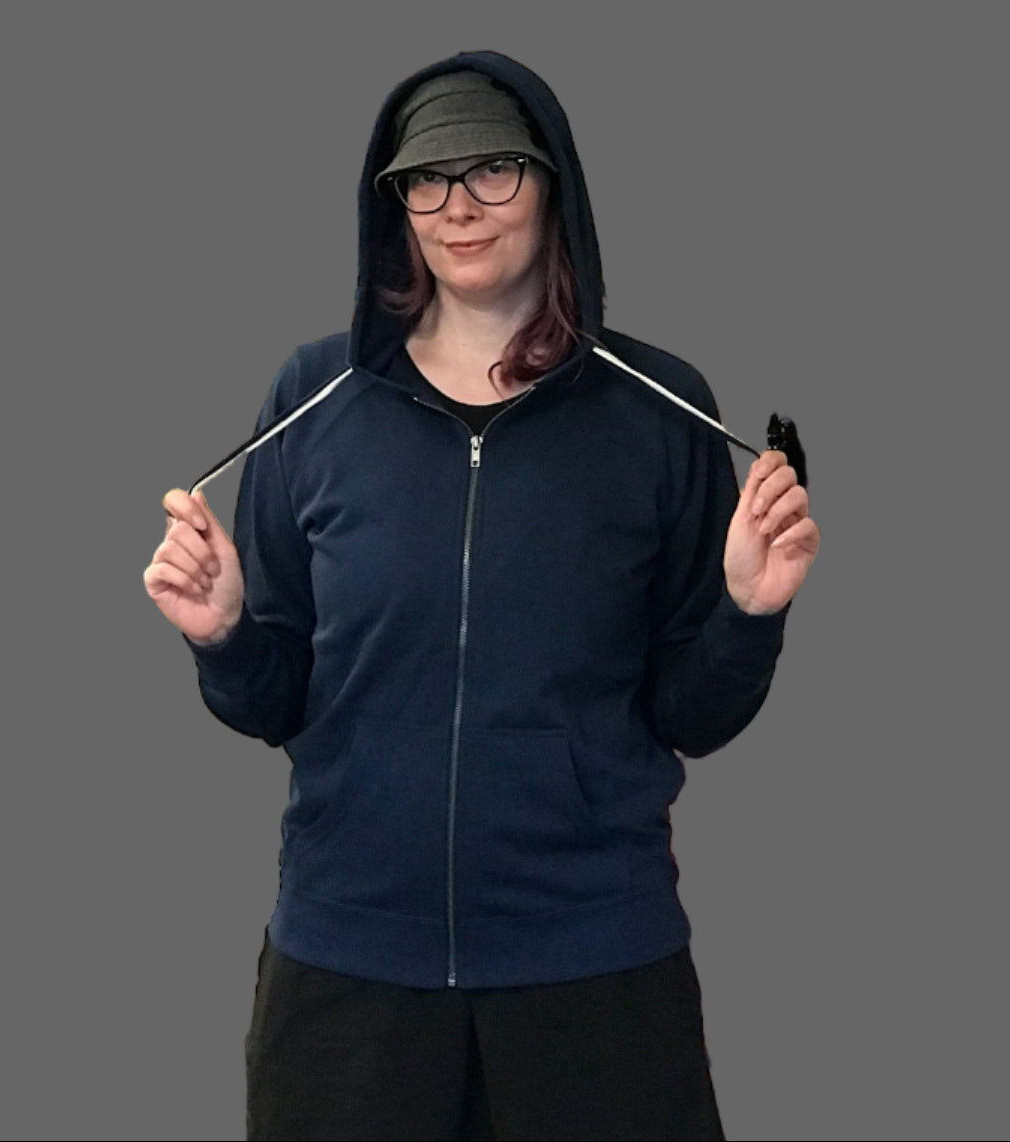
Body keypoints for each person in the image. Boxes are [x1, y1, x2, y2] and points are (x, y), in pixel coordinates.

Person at [143, 51, 819, 1141]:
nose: (458, 207)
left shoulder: (660, 410)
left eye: (493, 168)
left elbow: (693, 716)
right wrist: (223, 635)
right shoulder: (309, 401)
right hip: (346, 982)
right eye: (425, 178)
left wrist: (747, 611)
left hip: (596, 970)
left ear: (553, 182)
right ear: (392, 203)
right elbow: (275, 701)